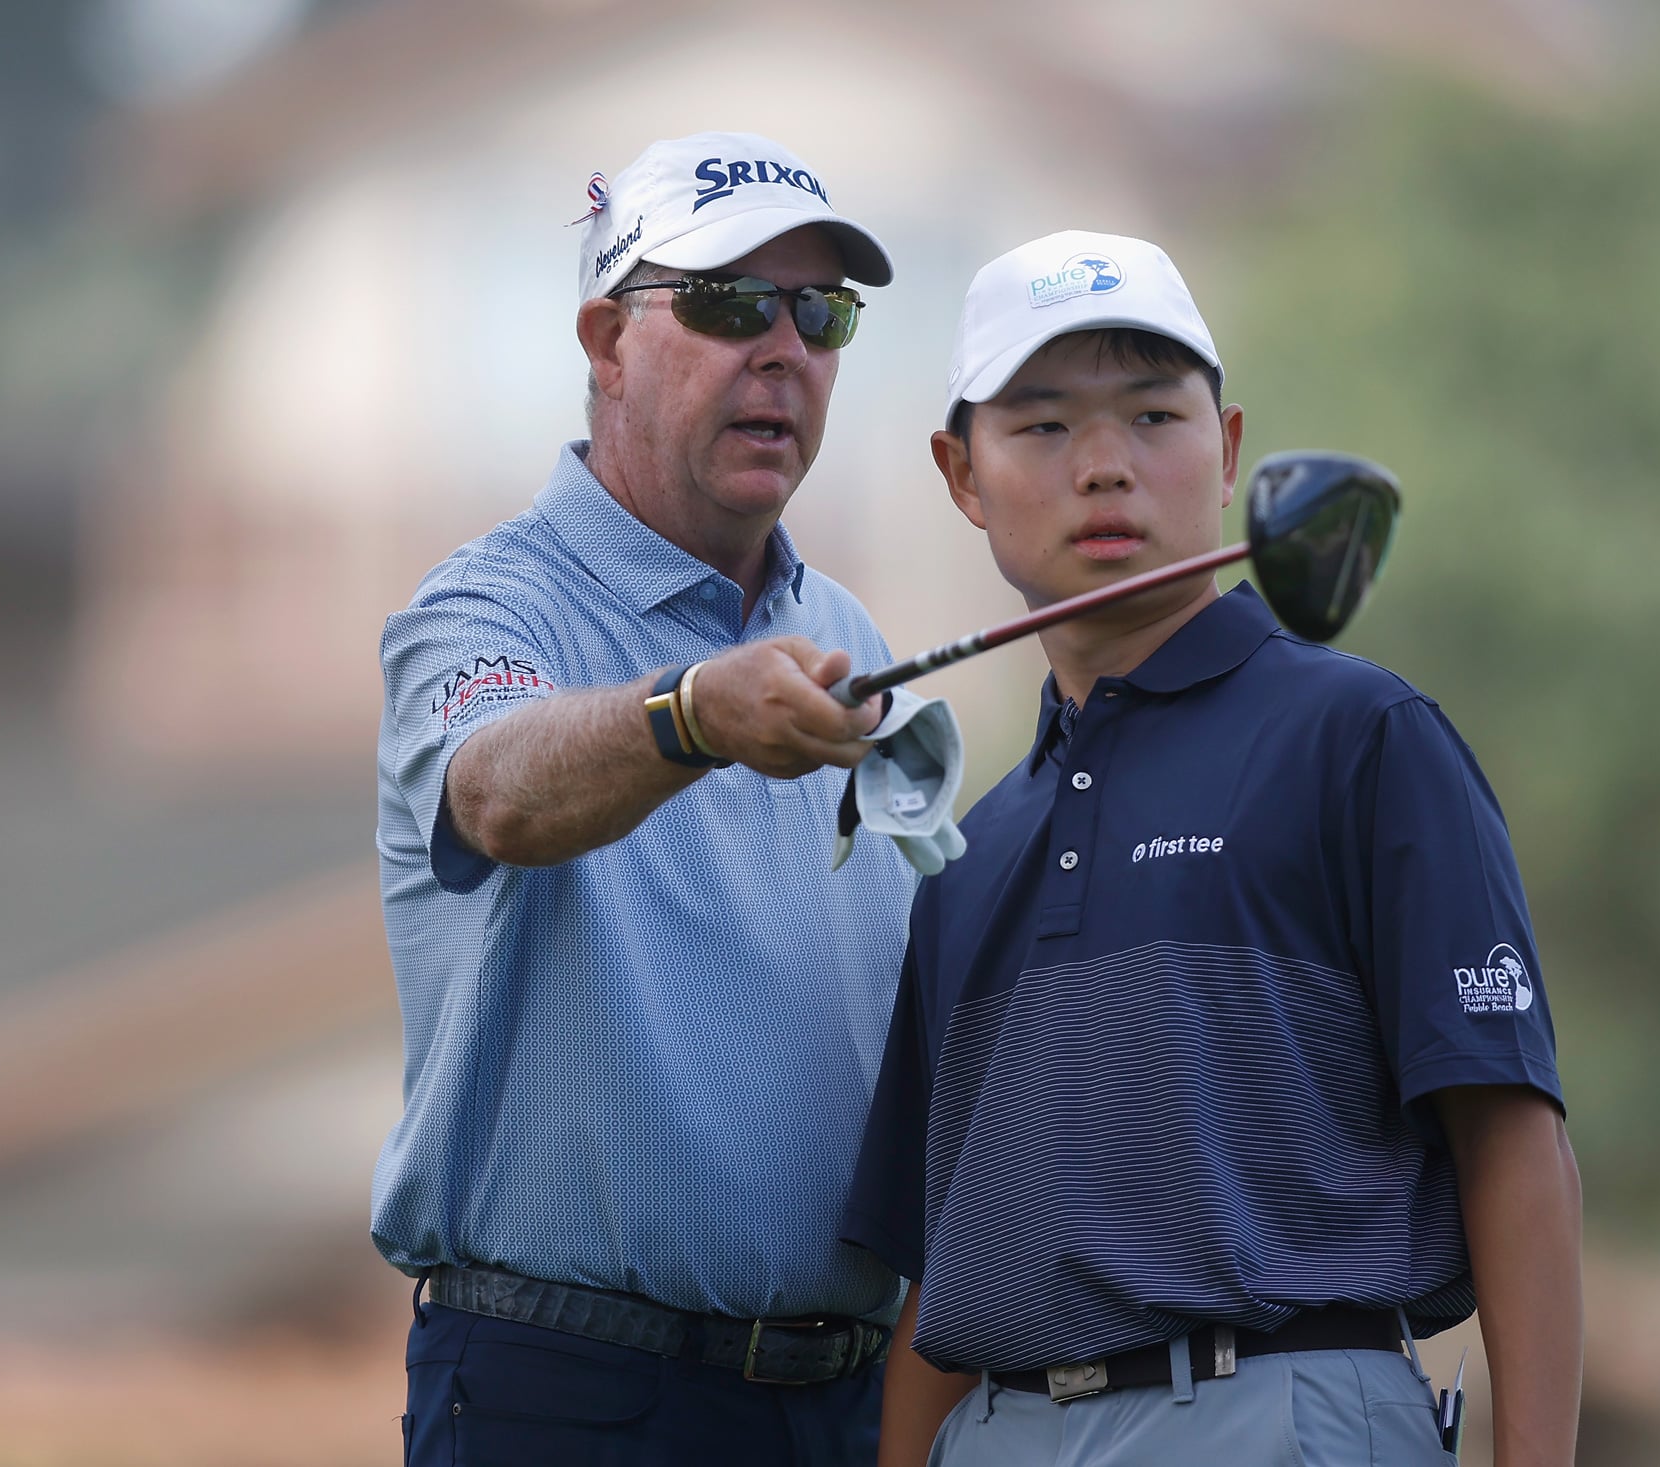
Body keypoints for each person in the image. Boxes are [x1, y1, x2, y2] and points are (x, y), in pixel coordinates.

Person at [841, 231, 1584, 1466]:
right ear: (959, 475)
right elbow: (940, 1276)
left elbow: (1511, 1138)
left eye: (1151, 415)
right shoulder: (967, 852)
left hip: (1282, 1411)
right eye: (1040, 427)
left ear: (1228, 450)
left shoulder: (1360, 737)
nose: (1104, 468)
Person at [372, 131, 944, 1467]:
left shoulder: (850, 632)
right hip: (566, 1394)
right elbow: (499, 788)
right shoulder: (484, 608)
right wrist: (692, 714)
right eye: (731, 302)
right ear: (606, 342)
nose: (785, 348)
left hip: (842, 1406)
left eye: (823, 311)